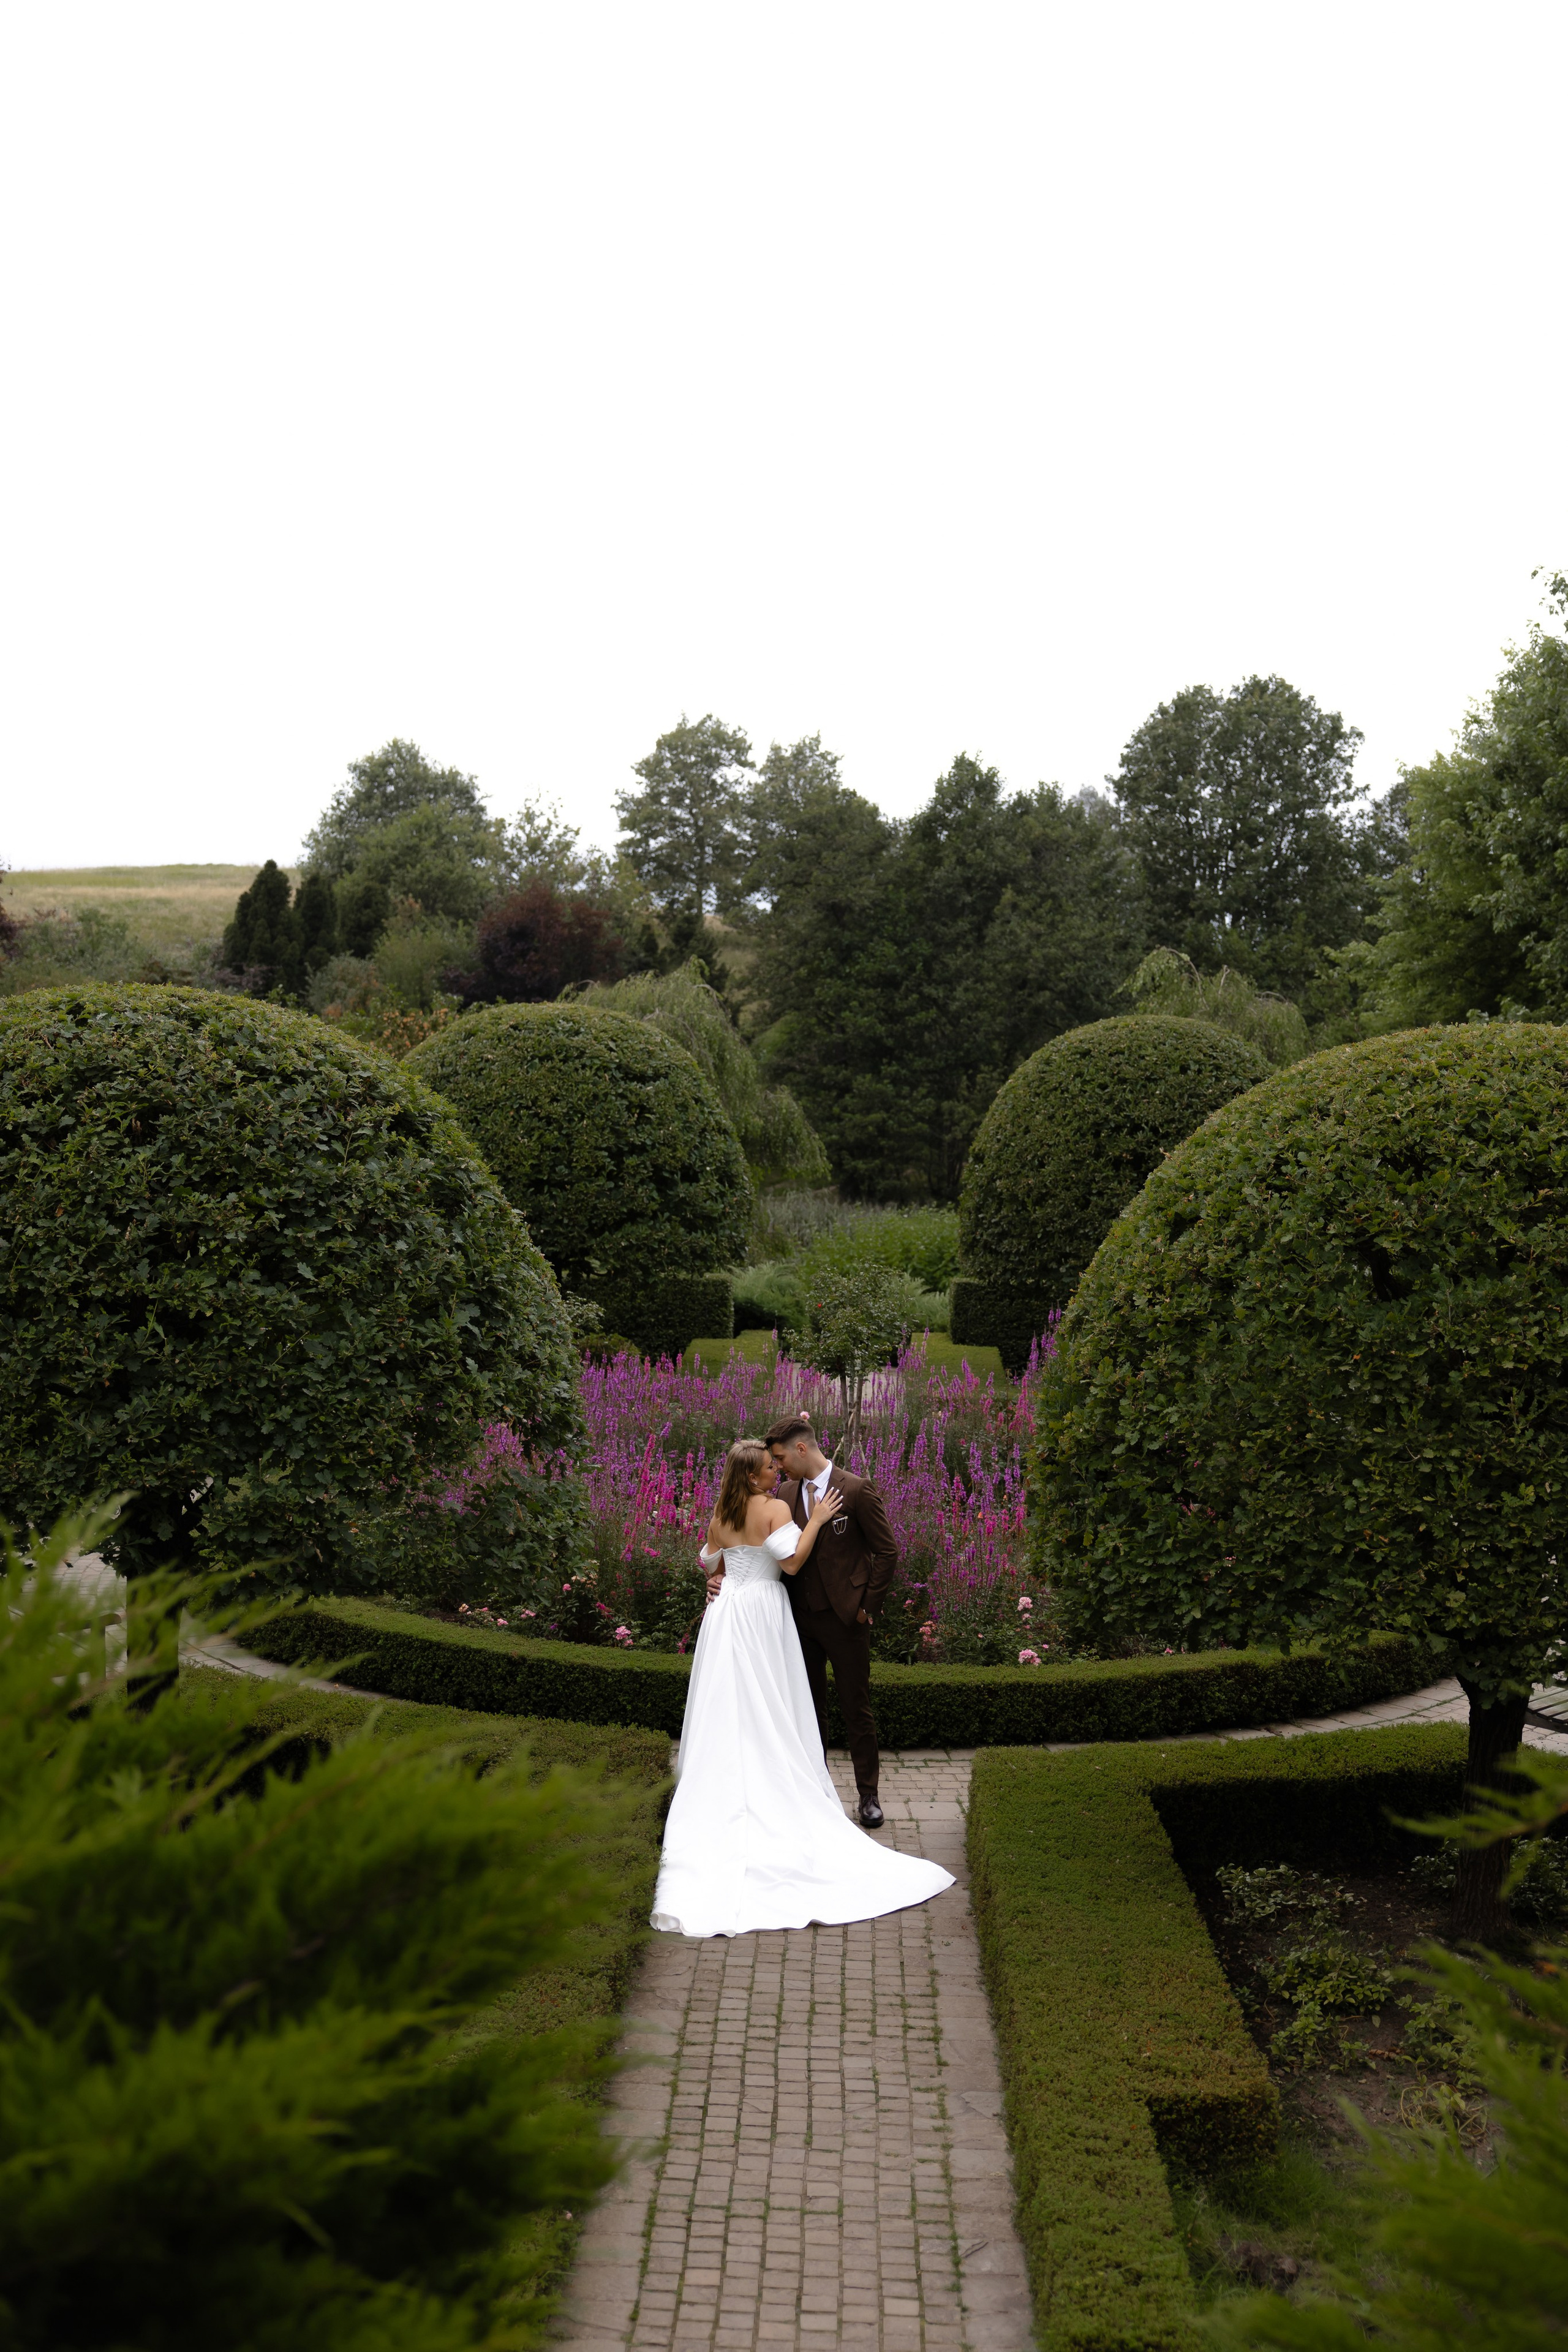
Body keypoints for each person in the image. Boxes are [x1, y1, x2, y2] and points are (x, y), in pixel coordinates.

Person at [650, 1437, 954, 1938]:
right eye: (770, 1469)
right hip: (765, 1612)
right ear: (753, 1477)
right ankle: (779, 1787)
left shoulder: (719, 1514)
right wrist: (813, 1522)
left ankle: (727, 1789)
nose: (778, 1474)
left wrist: (720, 1579)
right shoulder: (772, 1509)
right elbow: (791, 1564)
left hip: (727, 1616)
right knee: (773, 1703)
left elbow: (709, 1564)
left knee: (731, 1705)